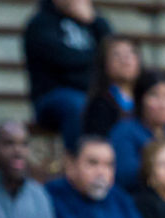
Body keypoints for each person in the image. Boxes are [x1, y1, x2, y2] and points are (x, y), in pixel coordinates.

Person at [24, 0, 112, 151]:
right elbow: (62, 60)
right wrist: (97, 60)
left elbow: (112, 51)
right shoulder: (40, 24)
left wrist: (95, 21)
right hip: (52, 97)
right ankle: (77, 161)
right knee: (76, 104)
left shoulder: (93, 24)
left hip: (90, 95)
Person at [109, 69, 165, 191]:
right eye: (155, 95)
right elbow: (126, 176)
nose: (163, 103)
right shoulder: (124, 132)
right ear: (140, 100)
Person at [83, 35, 142, 137]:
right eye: (116, 54)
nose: (125, 60)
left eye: (130, 53)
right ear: (104, 63)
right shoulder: (100, 104)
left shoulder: (147, 98)